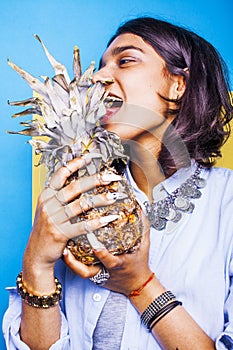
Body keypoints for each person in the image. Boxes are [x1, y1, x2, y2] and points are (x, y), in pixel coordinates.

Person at [3, 16, 233, 350]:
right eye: (100, 65)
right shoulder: (76, 196)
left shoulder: (226, 202)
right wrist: (36, 265)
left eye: (126, 60)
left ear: (177, 85)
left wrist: (140, 284)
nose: (98, 77)